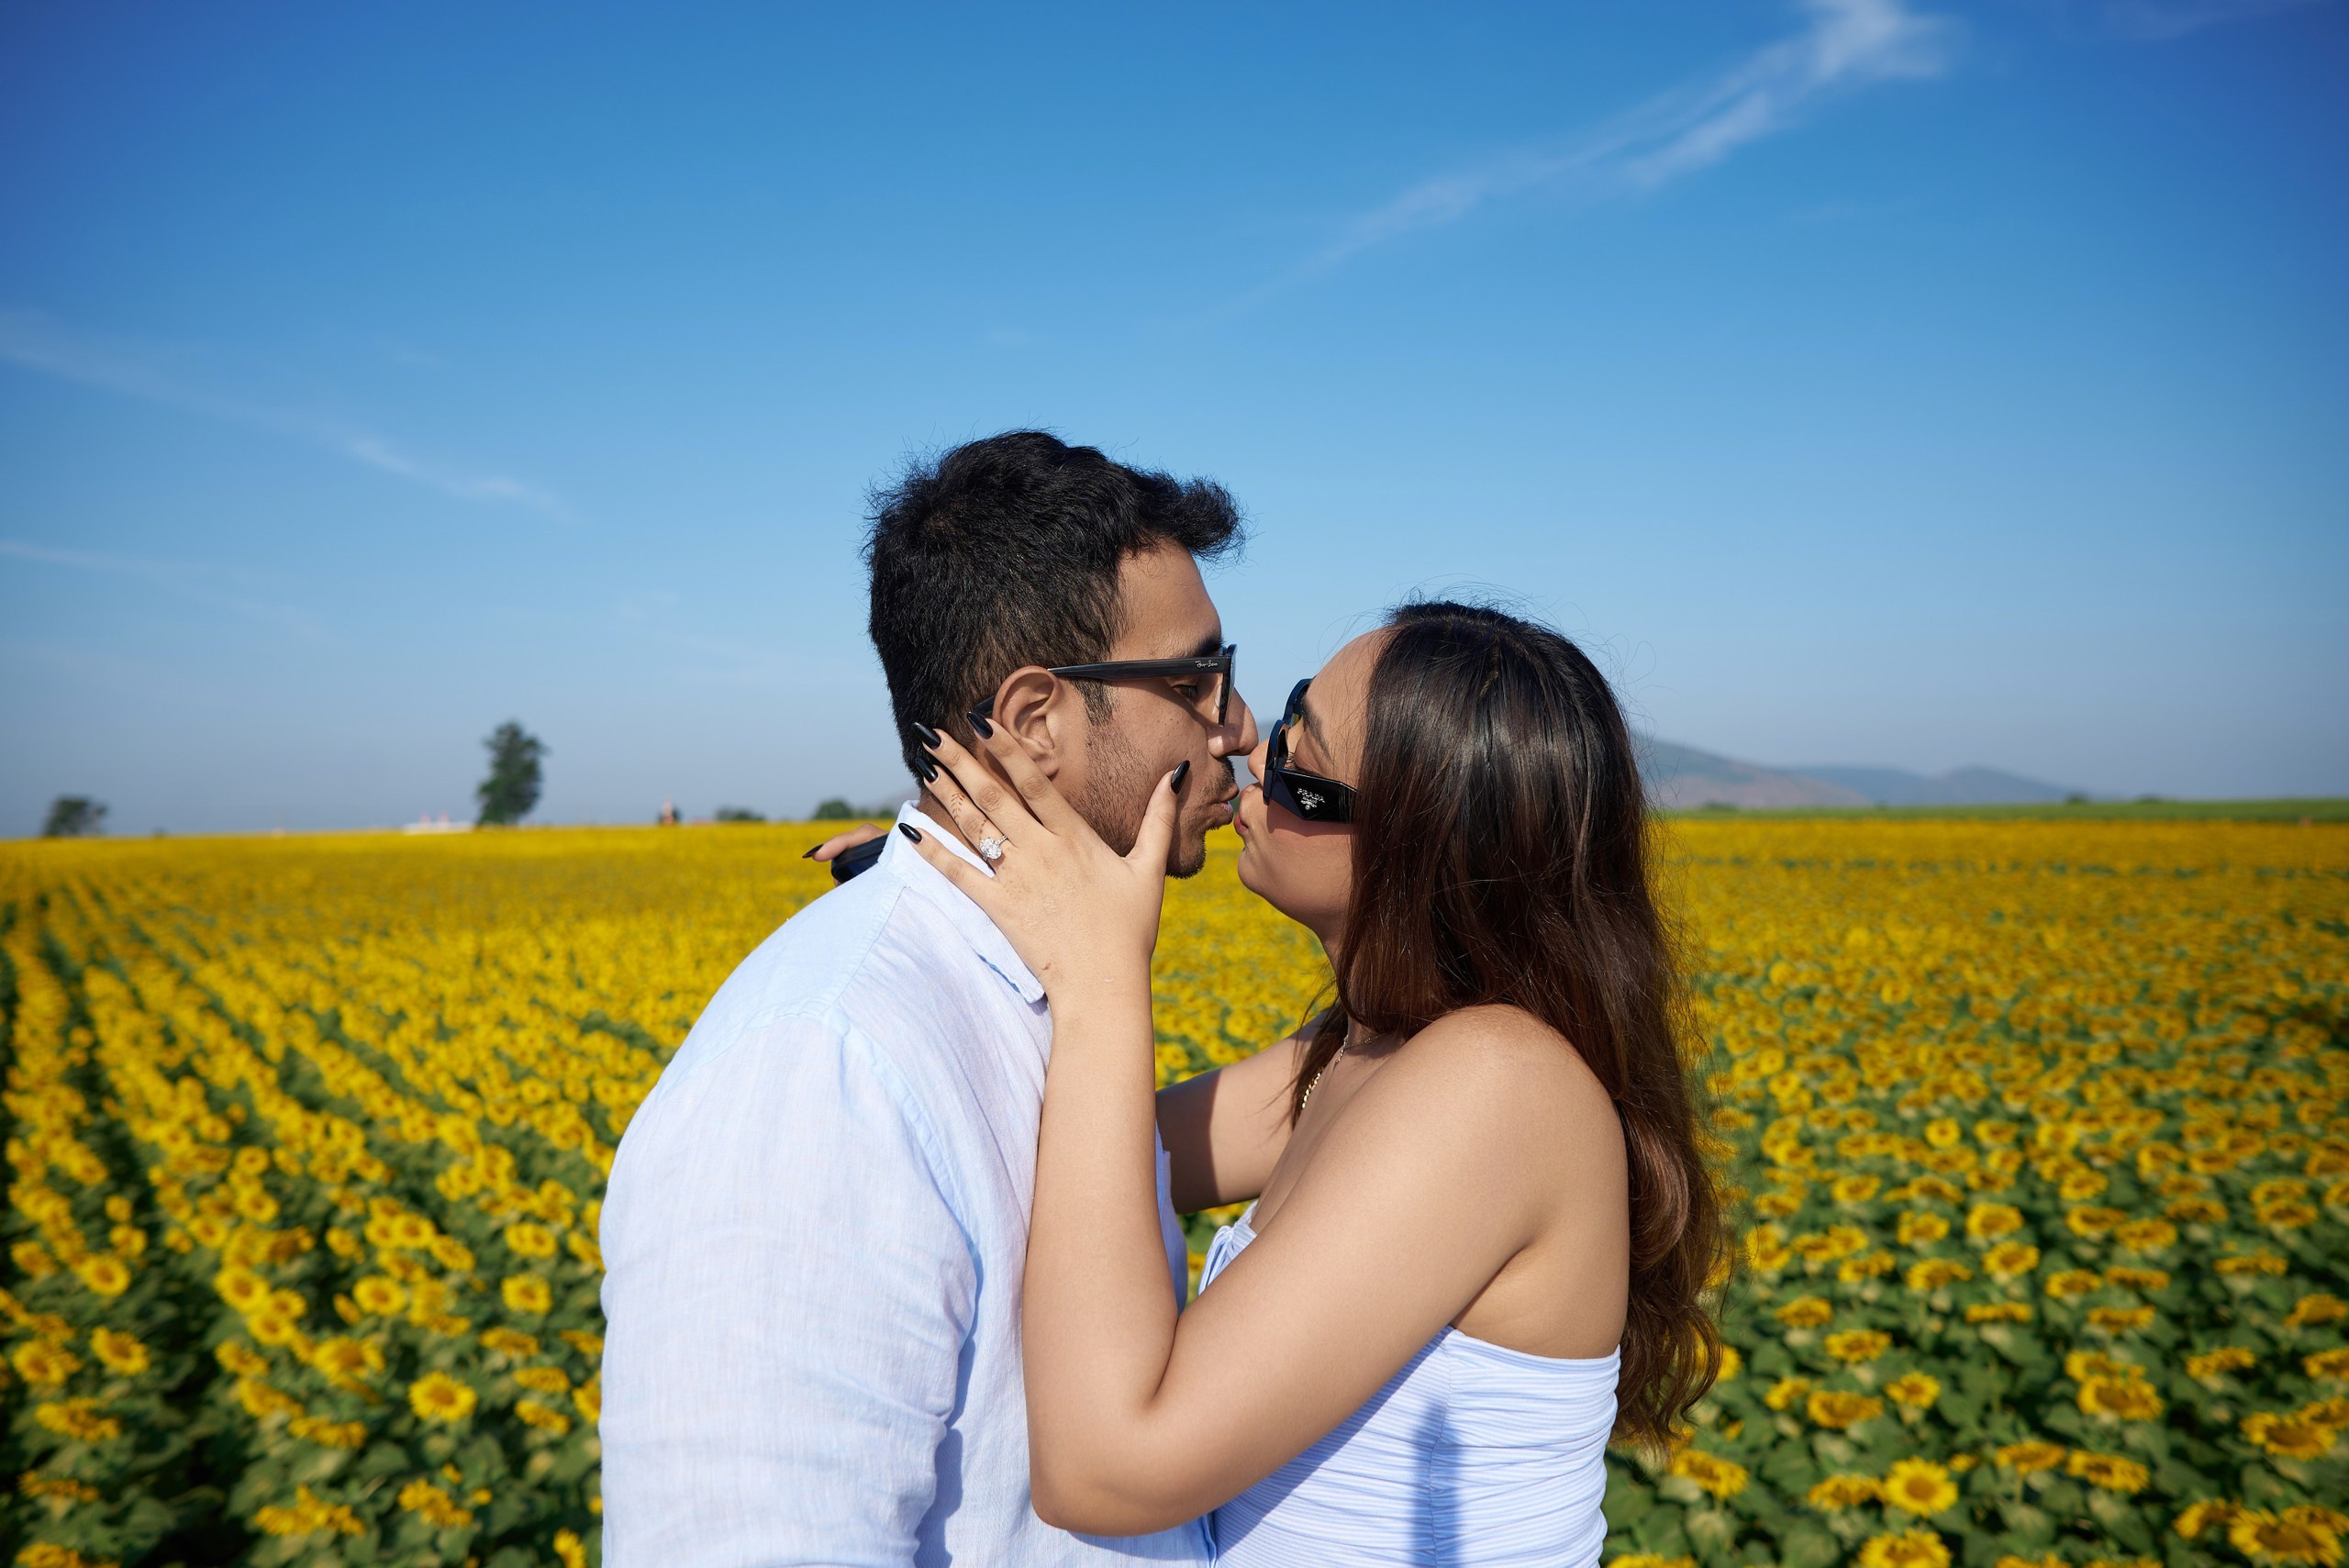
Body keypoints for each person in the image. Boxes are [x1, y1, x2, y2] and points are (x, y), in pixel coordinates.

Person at [905, 600, 1726, 1566]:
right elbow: (1073, 1157)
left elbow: (1108, 1466)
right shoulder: (1360, 1052)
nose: (1254, 753)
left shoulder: (1498, 1085)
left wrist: (1101, 982)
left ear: (1417, 837)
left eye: (1301, 758)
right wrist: (940, 905)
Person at [597, 431, 1255, 1565]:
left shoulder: (1051, 984)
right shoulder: (822, 1071)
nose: (1236, 726)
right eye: (1195, 679)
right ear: (1037, 718)